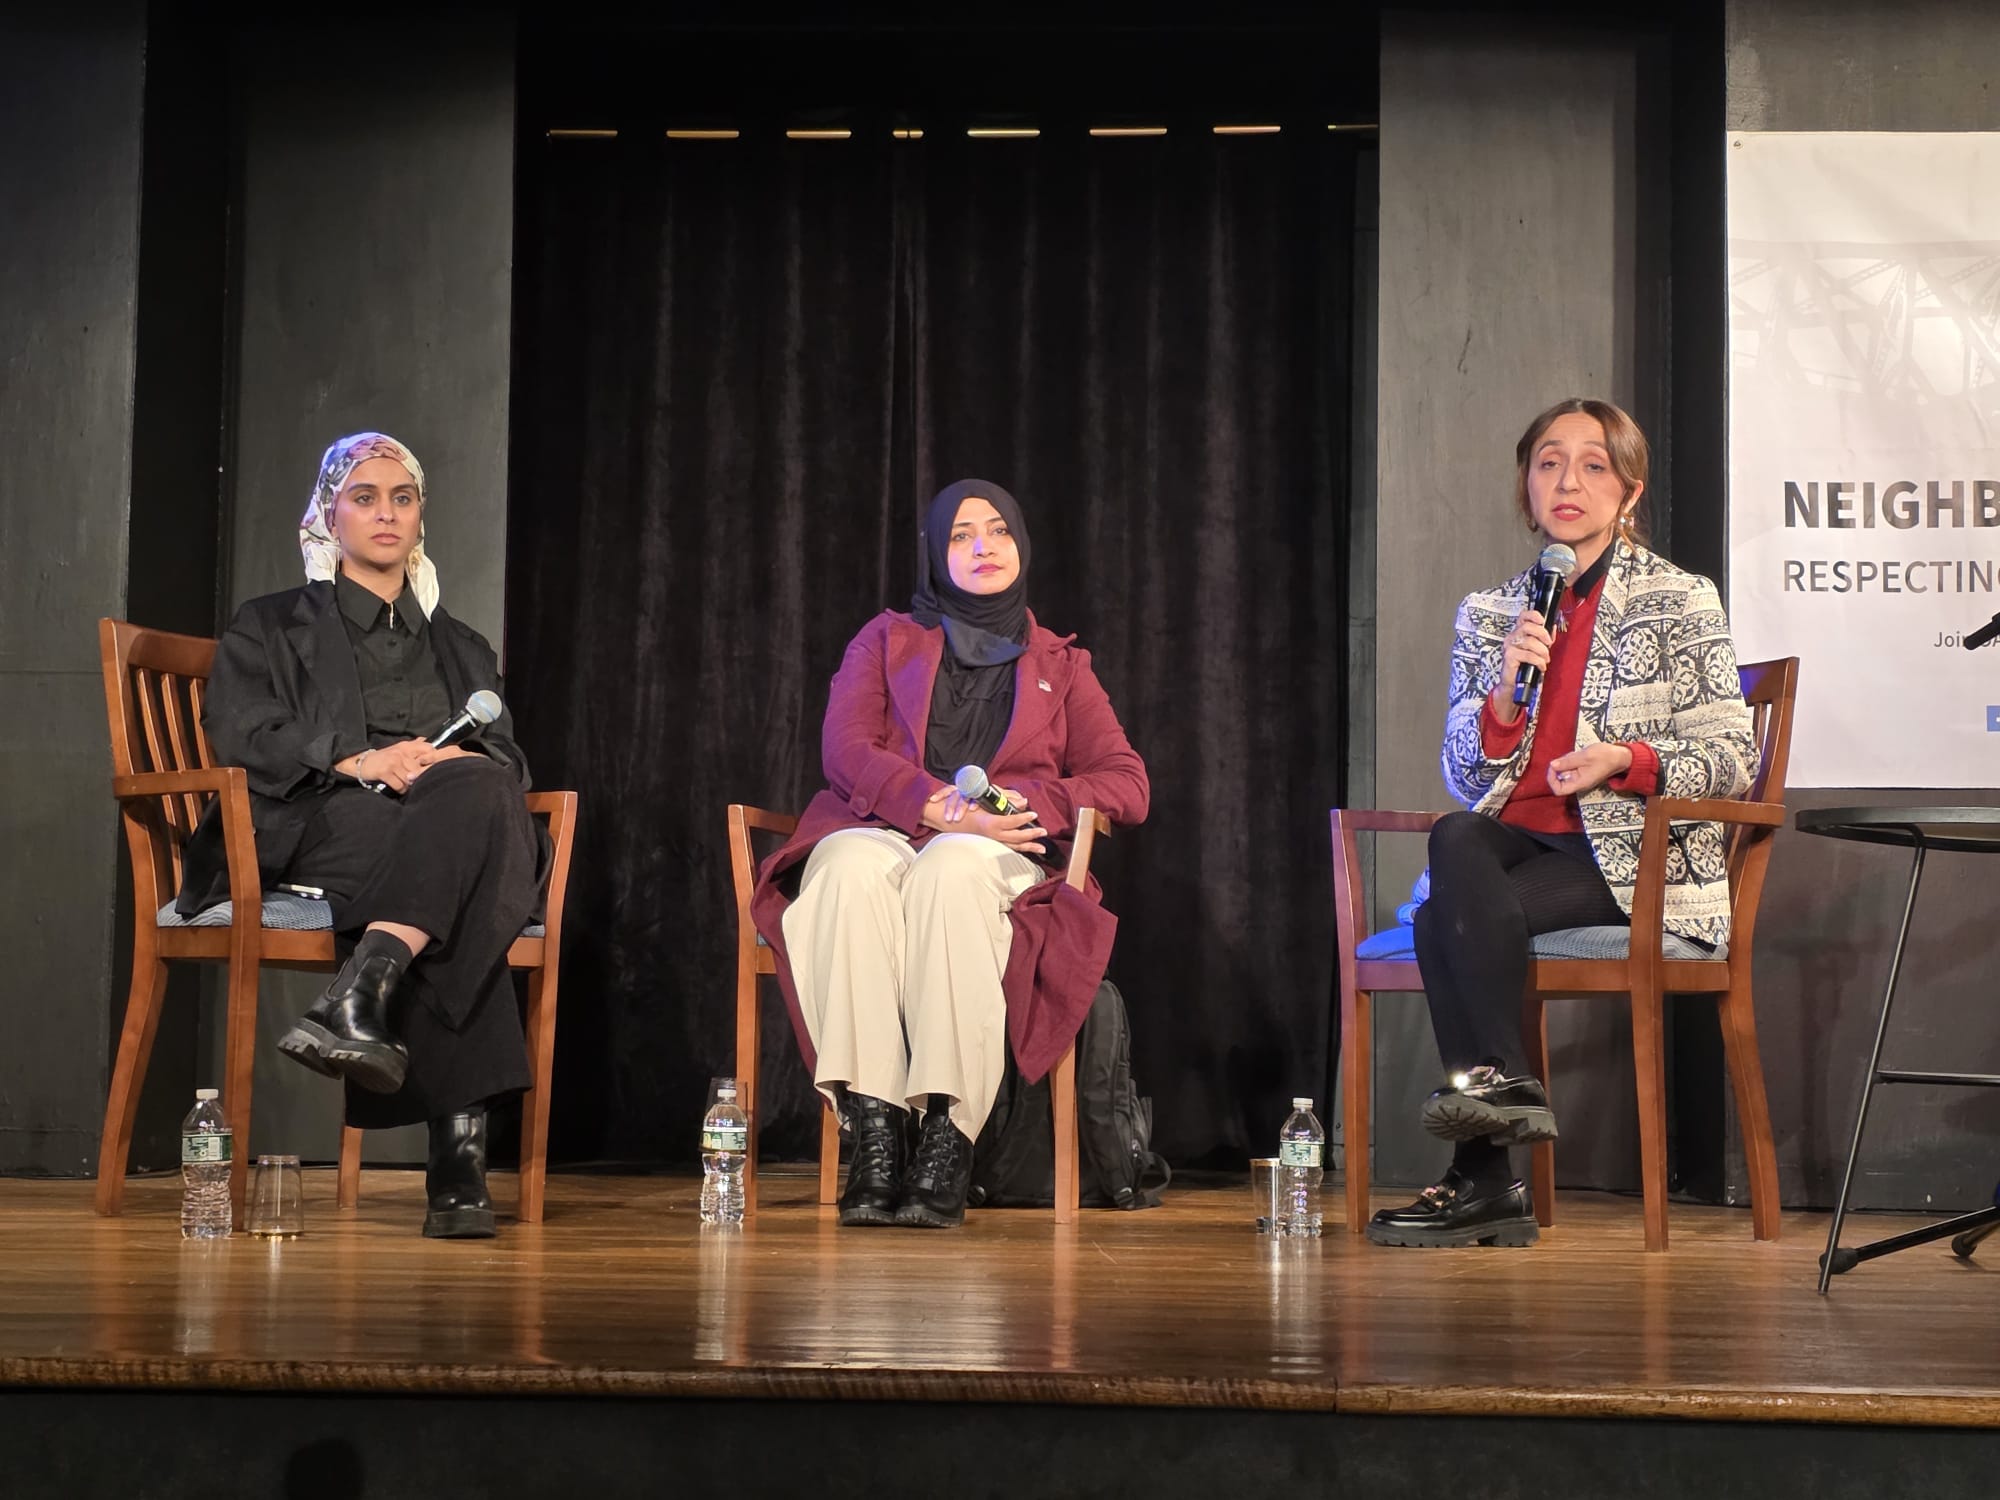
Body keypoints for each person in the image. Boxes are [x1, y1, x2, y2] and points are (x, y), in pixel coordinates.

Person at [1366, 398, 1757, 1250]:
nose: (1567, 480)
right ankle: (1505, 1088)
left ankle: (1483, 1177)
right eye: (1548, 462)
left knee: (1440, 919)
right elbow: (1467, 776)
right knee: (1456, 833)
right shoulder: (1493, 610)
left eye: (1592, 464)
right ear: (1526, 486)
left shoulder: (1678, 598)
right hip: (1519, 842)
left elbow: (1734, 753)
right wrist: (1505, 696)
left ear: (1629, 490)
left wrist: (1627, 761)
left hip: (1631, 853)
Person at [178, 432, 549, 1240]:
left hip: (436, 824)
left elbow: (508, 755)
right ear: (330, 515)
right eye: (365, 497)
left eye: (403, 498)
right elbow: (242, 730)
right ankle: (458, 1153)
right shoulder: (270, 626)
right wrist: (359, 759)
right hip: (321, 813)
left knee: (476, 792)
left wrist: (446, 763)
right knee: (473, 868)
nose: (386, 513)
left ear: (420, 520)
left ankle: (365, 985)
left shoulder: (463, 645)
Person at [751, 478, 1149, 1229]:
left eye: (997, 531)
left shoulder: (1061, 666)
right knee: (845, 868)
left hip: (992, 856)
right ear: (938, 552)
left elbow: (1127, 784)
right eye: (962, 535)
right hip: (891, 828)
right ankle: (874, 1130)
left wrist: (1025, 807)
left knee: (951, 868)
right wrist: (932, 805)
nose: (982, 547)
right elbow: (846, 750)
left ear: (1020, 546)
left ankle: (944, 1132)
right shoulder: (887, 638)